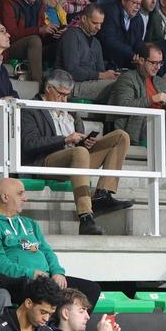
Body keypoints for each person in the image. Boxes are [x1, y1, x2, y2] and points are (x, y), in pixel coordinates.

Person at [22, 70, 133, 235]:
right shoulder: (30, 108)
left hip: (76, 157)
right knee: (79, 152)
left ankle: (103, 195)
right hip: (47, 161)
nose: (65, 100)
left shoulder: (70, 108)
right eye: (61, 95)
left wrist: (85, 142)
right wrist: (64, 139)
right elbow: (29, 144)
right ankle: (86, 217)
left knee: (120, 137)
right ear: (48, 88)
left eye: (68, 95)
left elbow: (78, 143)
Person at [0, 178, 101, 308]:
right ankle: (50, 326)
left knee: (91, 289)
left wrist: (58, 272)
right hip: (22, 281)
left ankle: (62, 327)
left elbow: (47, 251)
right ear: (5, 197)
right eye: (20, 193)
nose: (25, 198)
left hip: (46, 279)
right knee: (47, 294)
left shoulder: (30, 223)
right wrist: (30, 273)